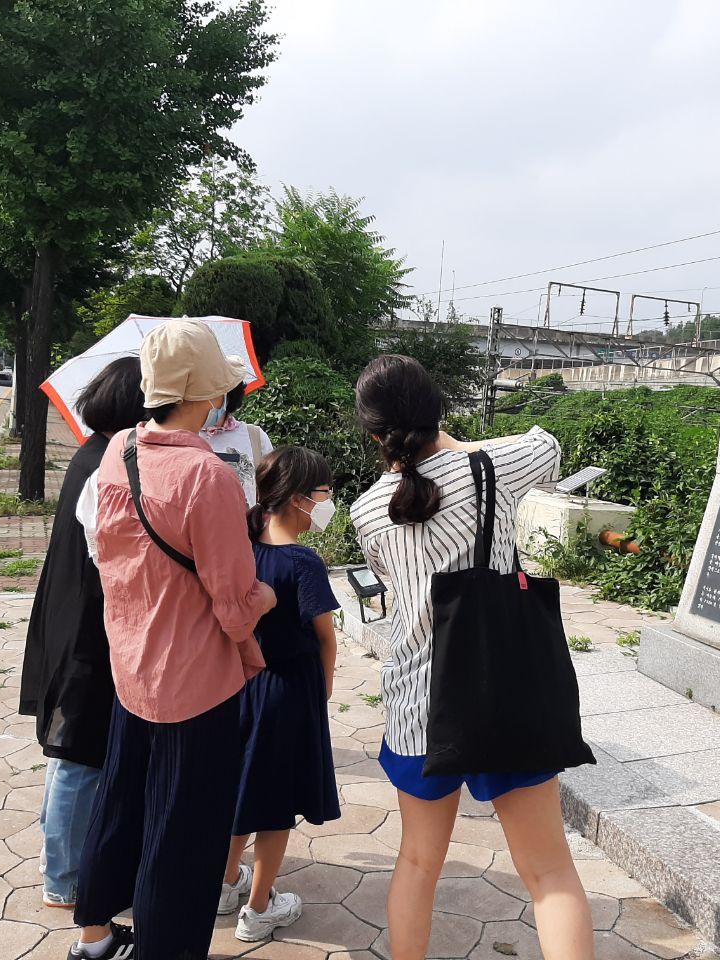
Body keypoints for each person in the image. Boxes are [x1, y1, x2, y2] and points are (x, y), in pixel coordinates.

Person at [350, 355, 595, 960]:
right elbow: (548, 446)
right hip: (502, 696)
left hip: (419, 707)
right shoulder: (490, 469)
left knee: (416, 862)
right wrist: (458, 443)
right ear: (438, 410)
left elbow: (395, 586)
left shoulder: (366, 511)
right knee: (550, 874)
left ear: (374, 434)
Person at [66, 319, 277, 960]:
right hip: (194, 682)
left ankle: (94, 938)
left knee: (121, 804)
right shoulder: (206, 475)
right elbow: (233, 600)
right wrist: (267, 600)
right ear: (205, 393)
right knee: (182, 834)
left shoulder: (119, 449)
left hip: (131, 664)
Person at [19, 356, 146, 909]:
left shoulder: (93, 452)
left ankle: (61, 854)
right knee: (79, 750)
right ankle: (65, 878)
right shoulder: (108, 465)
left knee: (71, 747)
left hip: (71, 612)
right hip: (88, 624)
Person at [216, 445, 342, 940]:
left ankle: (225, 883)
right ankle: (258, 908)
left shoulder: (241, 548)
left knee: (242, 787)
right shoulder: (303, 562)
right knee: (277, 802)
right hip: (289, 690)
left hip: (242, 684)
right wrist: (324, 686)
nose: (327, 504)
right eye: (323, 495)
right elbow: (325, 637)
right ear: (297, 499)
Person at [201, 356, 273, 506]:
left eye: (211, 393)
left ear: (229, 396)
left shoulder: (255, 437)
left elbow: (272, 493)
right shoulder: (180, 437)